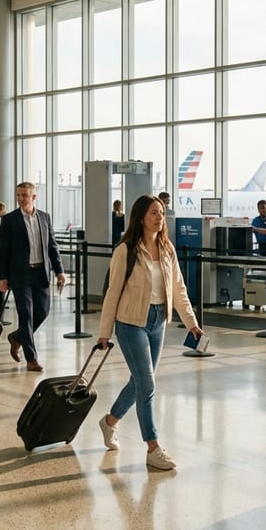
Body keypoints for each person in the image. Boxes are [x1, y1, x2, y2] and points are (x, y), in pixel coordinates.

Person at [96, 194, 203, 471]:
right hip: (131, 322)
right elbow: (113, 292)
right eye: (154, 212)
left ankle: (109, 422)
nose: (159, 218)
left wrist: (191, 322)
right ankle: (153, 447)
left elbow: (178, 288)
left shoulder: (167, 248)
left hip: (158, 321)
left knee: (141, 382)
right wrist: (104, 332)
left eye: (162, 212)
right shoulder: (126, 249)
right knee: (148, 385)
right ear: (141, 216)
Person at [0, 182, 65, 372]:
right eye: (18, 195)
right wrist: (2, 277)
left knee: (42, 312)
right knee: (25, 314)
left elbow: (52, 245)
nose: (21, 198)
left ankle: (17, 337)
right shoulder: (9, 220)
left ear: (34, 197)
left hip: (41, 272)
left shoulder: (44, 217)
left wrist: (59, 270)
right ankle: (31, 358)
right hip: (21, 274)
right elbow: (3, 251)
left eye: (25, 195)